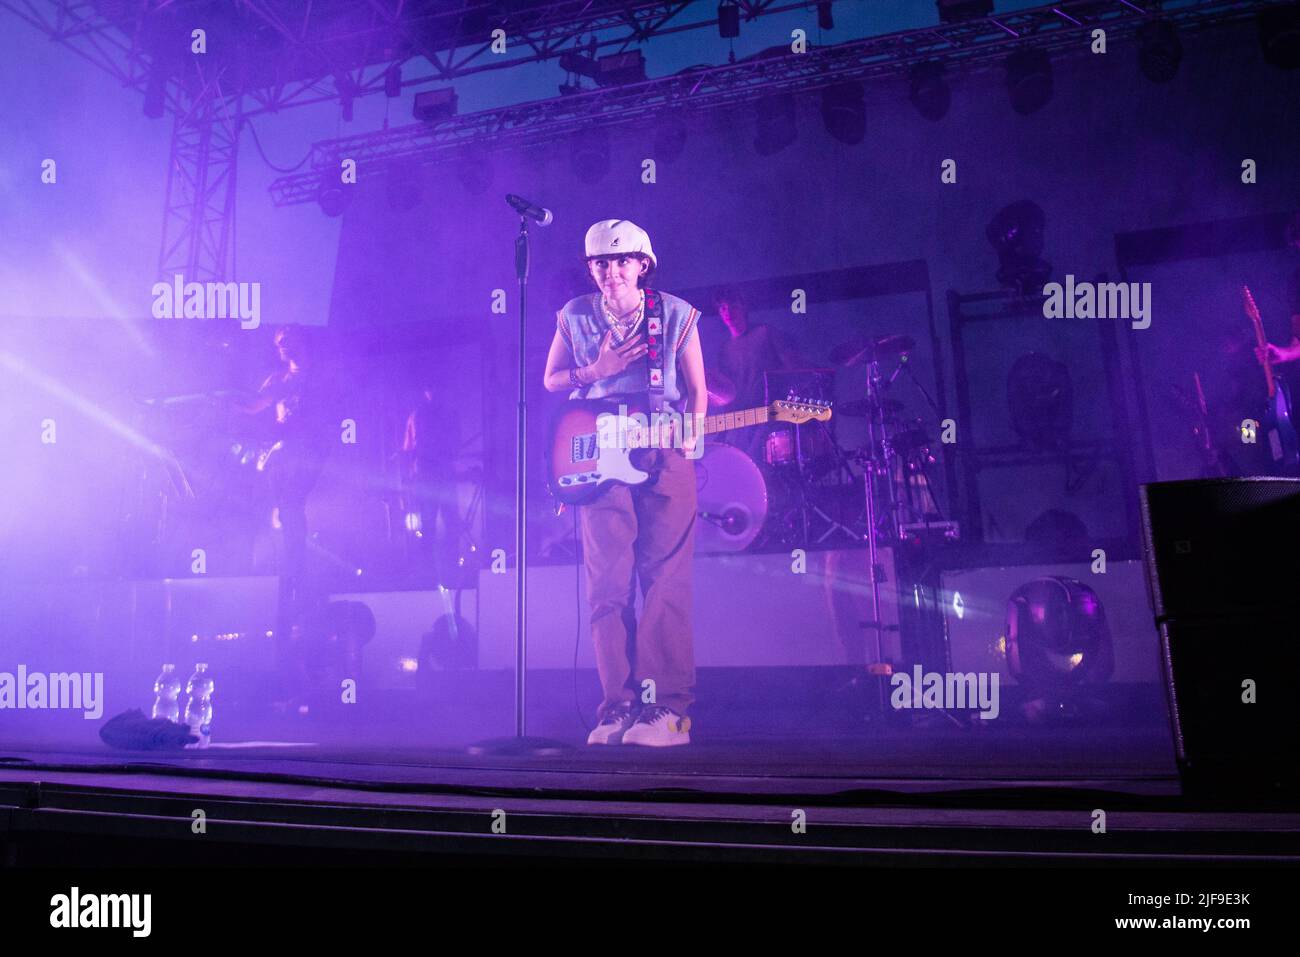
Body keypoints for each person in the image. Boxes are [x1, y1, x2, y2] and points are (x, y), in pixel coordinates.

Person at [542, 219, 707, 747]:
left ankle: (669, 712)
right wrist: (597, 369)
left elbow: (699, 391)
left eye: (620, 261)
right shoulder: (574, 315)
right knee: (607, 588)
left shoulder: (676, 313)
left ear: (643, 264)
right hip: (600, 455)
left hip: (663, 448)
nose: (610, 272)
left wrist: (692, 439)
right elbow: (551, 379)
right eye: (600, 264)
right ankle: (617, 707)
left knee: (665, 579)